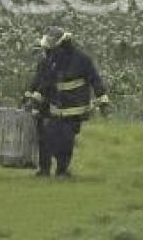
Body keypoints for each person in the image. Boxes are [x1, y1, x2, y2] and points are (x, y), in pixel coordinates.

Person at [28, 27, 110, 178]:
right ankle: (44, 170)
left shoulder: (81, 60)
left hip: (74, 110)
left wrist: (103, 101)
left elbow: (95, 80)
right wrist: (33, 100)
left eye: (50, 49)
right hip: (54, 107)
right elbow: (42, 82)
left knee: (65, 141)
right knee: (46, 138)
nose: (47, 52)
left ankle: (62, 171)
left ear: (61, 45)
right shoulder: (49, 61)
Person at [23, 45, 52, 177]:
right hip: (42, 106)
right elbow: (36, 81)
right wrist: (27, 96)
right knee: (42, 138)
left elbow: (46, 84)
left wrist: (34, 98)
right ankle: (44, 168)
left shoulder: (50, 63)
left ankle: (48, 169)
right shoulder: (42, 63)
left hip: (51, 105)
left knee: (46, 138)